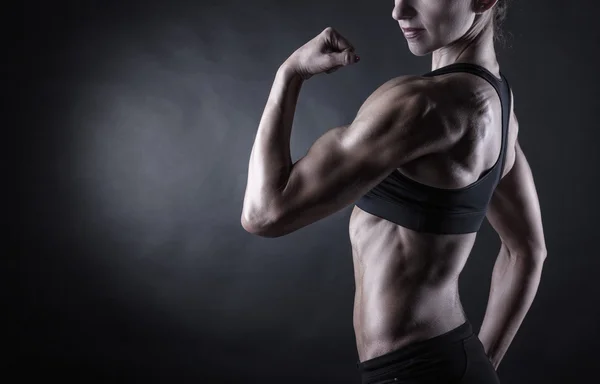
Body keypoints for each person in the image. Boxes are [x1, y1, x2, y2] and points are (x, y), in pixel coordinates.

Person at [241, 0, 547, 383]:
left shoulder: (424, 103)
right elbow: (528, 251)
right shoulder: (499, 105)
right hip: (446, 363)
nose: (398, 11)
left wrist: (290, 73)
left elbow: (264, 212)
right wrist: (479, 366)